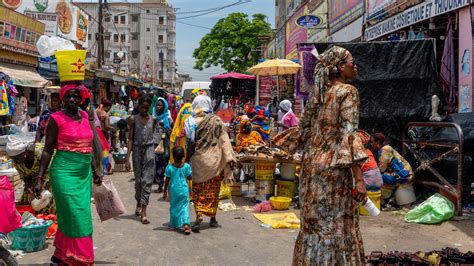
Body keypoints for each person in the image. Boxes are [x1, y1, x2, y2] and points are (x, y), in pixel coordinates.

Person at [292, 46, 368, 265]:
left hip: (311, 170)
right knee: (335, 226)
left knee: (314, 226)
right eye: (351, 63)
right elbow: (349, 135)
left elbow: (303, 129)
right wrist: (360, 179)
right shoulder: (348, 92)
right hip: (334, 172)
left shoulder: (318, 94)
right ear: (339, 68)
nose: (355, 67)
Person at [37, 83, 102, 265]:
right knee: (76, 215)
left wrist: (95, 169)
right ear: (62, 99)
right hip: (63, 173)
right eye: (68, 97)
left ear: (80, 98)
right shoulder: (55, 119)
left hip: (83, 175)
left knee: (71, 216)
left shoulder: (84, 115)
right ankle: (78, 259)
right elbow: (48, 150)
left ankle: (60, 255)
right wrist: (40, 178)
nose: (72, 99)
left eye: (75, 96)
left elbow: (89, 145)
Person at [185, 95, 236, 231]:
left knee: (198, 191)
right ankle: (213, 218)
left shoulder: (191, 121)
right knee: (213, 192)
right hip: (214, 162)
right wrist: (230, 159)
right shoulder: (217, 121)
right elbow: (225, 141)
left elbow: (190, 144)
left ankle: (199, 214)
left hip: (199, 162)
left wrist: (185, 159)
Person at [125, 94, 160, 225]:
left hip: (149, 151)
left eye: (147, 107)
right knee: (138, 182)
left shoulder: (154, 119)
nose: (144, 110)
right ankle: (138, 202)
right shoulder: (133, 119)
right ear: (139, 106)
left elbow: (157, 134)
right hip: (137, 151)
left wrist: (154, 146)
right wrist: (127, 158)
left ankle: (144, 212)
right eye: (142, 107)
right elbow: (130, 138)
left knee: (147, 181)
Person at [7, 137, 54, 214]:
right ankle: (32, 218)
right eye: (13, 159)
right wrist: (28, 187)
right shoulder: (17, 161)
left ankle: (48, 218)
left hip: (48, 174)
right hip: (34, 177)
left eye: (16, 158)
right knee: (27, 197)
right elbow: (24, 175)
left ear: (25, 153)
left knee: (45, 196)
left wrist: (41, 183)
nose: (15, 161)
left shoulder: (40, 152)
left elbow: (49, 169)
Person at [371, 132, 414, 199]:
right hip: (407, 173)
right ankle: (387, 197)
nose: (371, 144)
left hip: (404, 176)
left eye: (372, 142)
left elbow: (381, 169)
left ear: (377, 142)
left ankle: (384, 198)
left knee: (378, 176)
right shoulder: (387, 148)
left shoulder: (384, 150)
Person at [163, 146, 192, 235]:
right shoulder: (187, 166)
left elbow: (167, 181)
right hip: (183, 189)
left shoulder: (169, 167)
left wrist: (165, 192)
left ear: (173, 156)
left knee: (174, 206)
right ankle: (186, 223)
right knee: (184, 207)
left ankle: (173, 224)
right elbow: (190, 177)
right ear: (183, 156)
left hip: (174, 190)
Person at [154, 97, 172, 193]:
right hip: (155, 144)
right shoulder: (154, 117)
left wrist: (165, 131)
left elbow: (171, 131)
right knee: (157, 165)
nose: (157, 107)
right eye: (157, 105)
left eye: (160, 105)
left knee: (163, 165)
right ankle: (159, 184)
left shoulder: (167, 118)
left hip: (164, 145)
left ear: (164, 106)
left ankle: (163, 185)